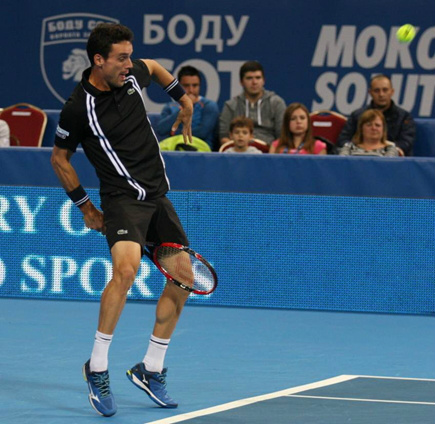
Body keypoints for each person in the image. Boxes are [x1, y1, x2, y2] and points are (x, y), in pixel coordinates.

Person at [50, 23, 194, 417]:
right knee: (126, 272)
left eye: (130, 56)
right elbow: (59, 159)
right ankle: (96, 367)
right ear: (99, 60)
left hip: (158, 198)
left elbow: (157, 67)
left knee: (184, 278)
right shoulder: (78, 107)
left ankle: (151, 368)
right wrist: (85, 207)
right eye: (121, 58)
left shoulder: (132, 77)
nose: (130, 64)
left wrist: (183, 100)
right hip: (122, 201)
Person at [337, 74, 416, 156]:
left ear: (392, 92)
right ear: (370, 92)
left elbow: (406, 143)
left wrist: (383, 150)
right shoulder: (357, 115)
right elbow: (343, 139)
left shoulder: (404, 117)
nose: (381, 94)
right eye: (376, 91)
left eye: (385, 90)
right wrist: (363, 151)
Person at [219, 61, 286, 146]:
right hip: (238, 153)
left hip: (269, 153)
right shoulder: (230, 105)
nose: (254, 82)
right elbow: (223, 136)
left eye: (258, 78)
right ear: (241, 82)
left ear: (263, 81)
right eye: (249, 78)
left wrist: (272, 153)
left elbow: (283, 136)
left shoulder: (276, 103)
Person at [157, 65, 219, 149]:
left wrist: (173, 133)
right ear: (178, 86)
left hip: (200, 151)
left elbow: (202, 133)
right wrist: (183, 108)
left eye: (195, 85)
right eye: (186, 86)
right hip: (173, 150)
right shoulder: (170, 107)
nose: (191, 90)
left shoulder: (209, 106)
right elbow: (161, 129)